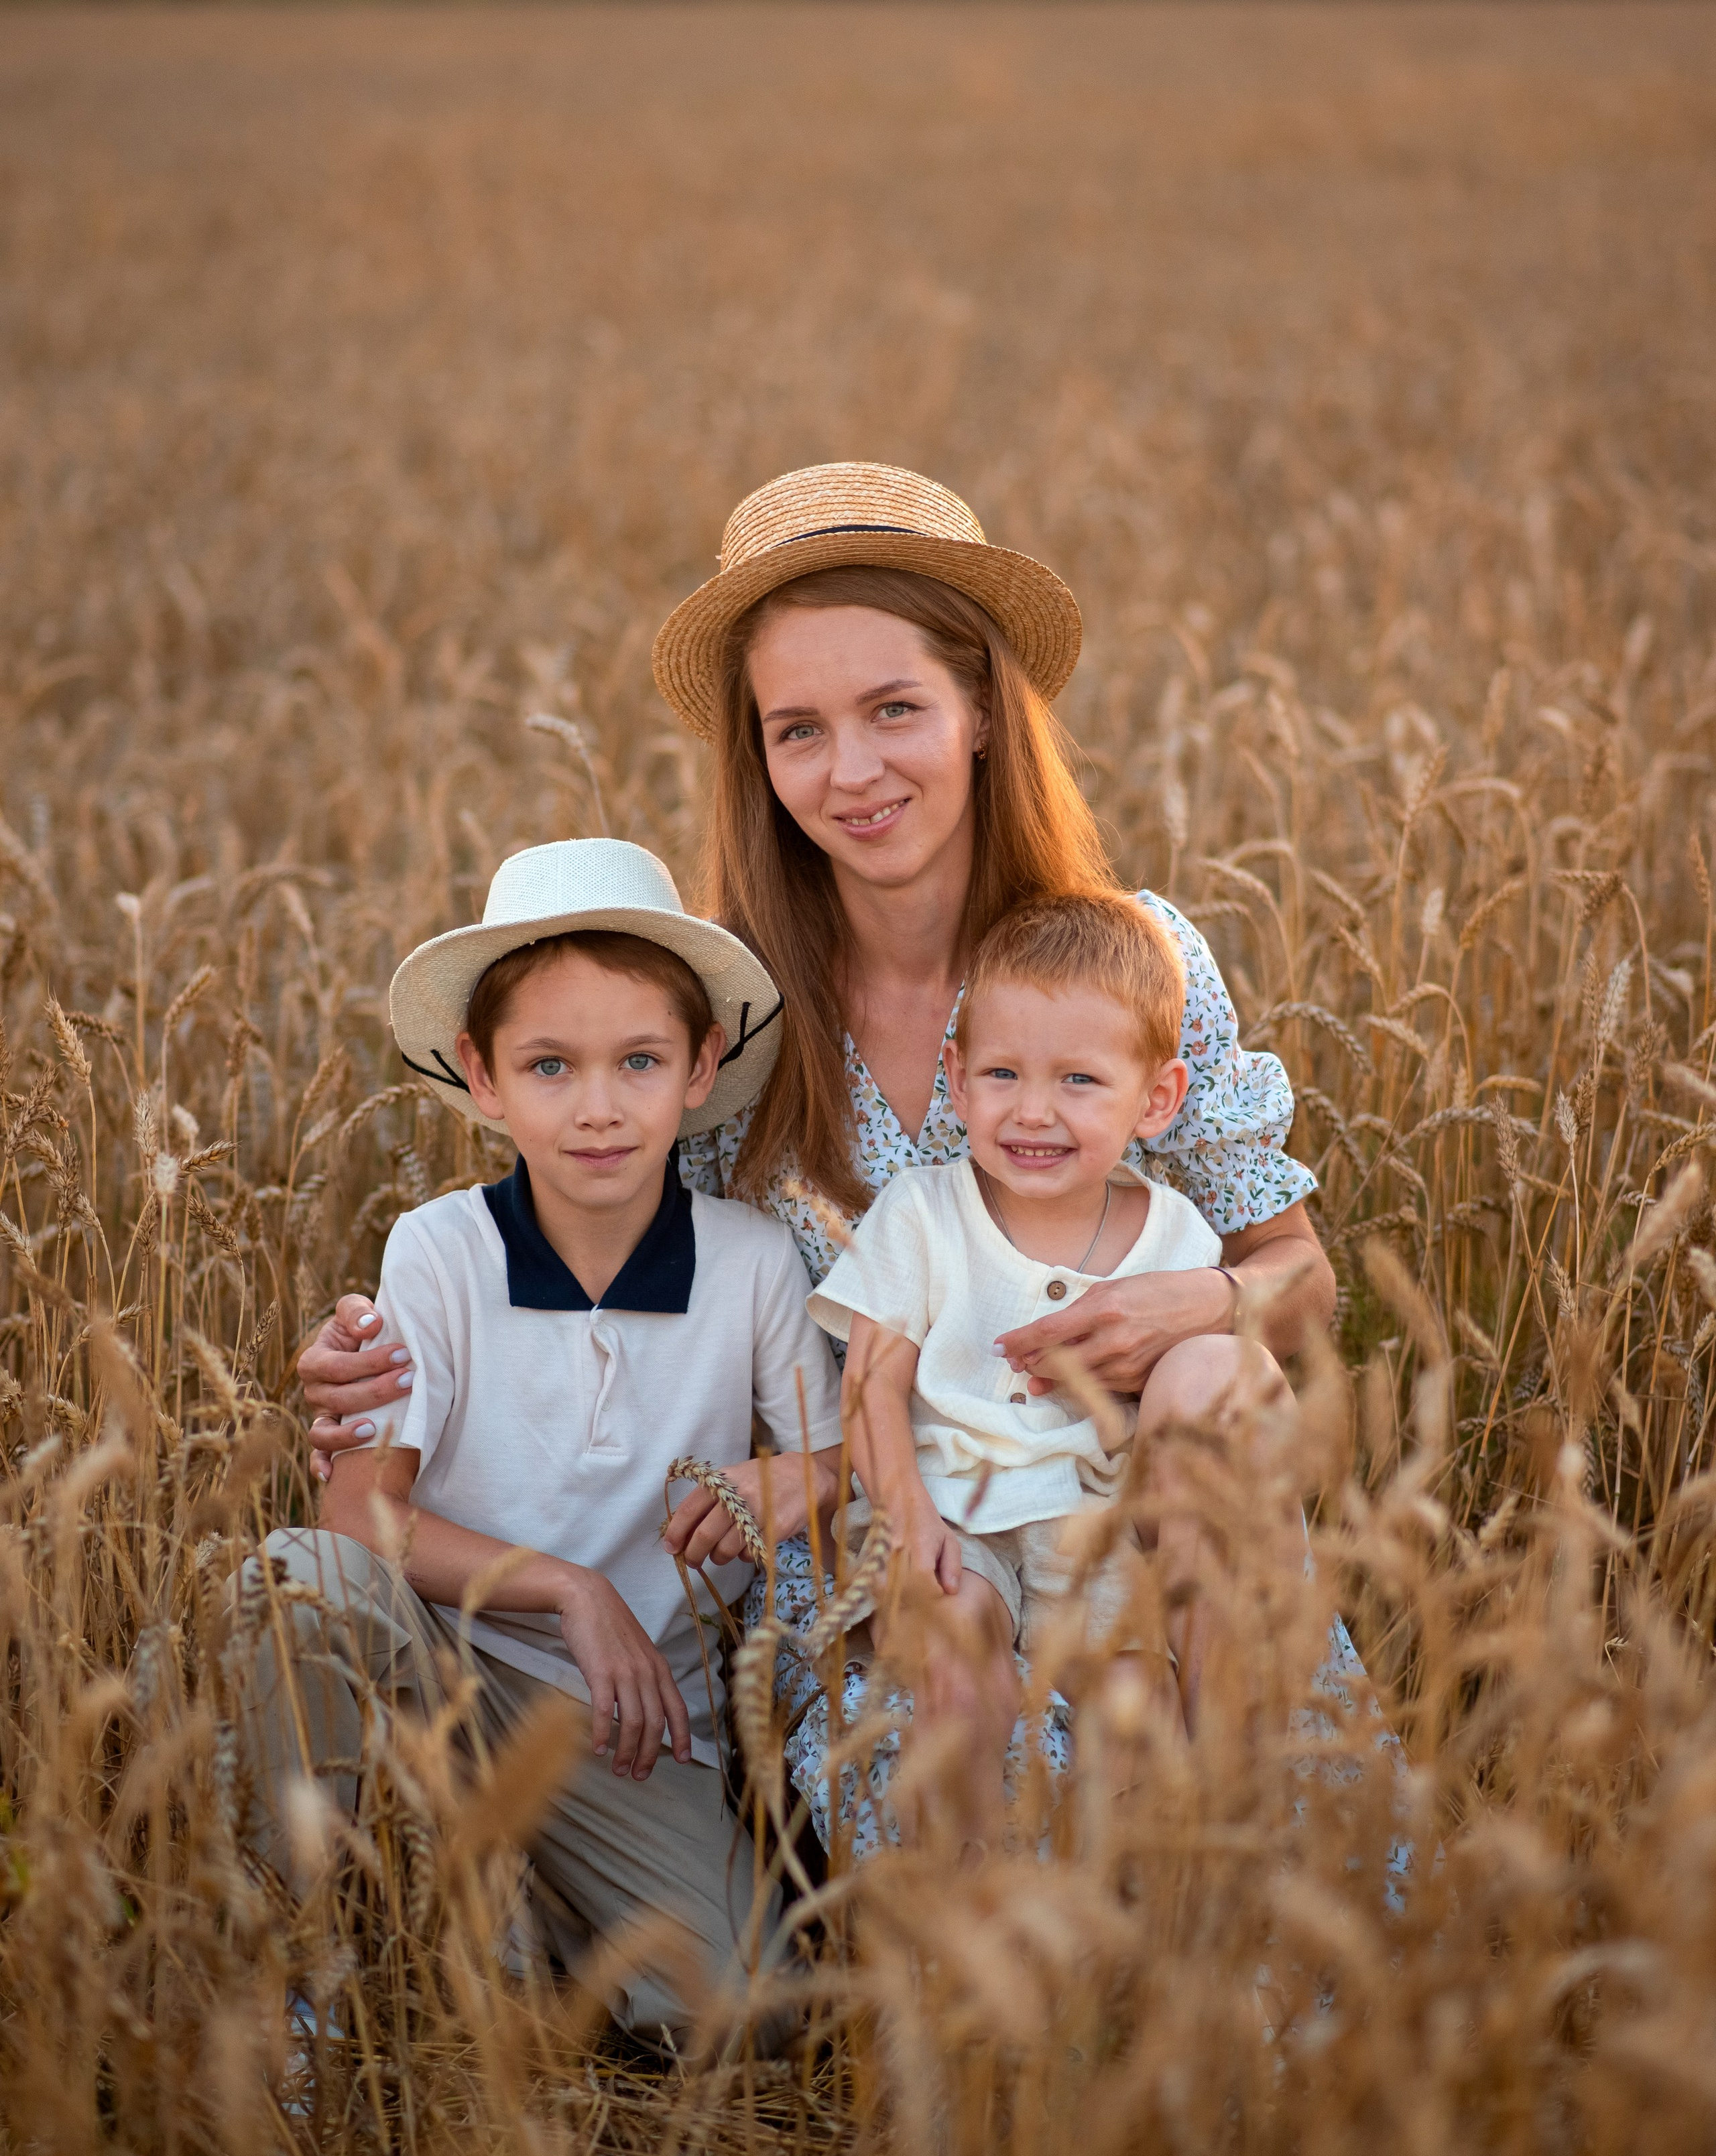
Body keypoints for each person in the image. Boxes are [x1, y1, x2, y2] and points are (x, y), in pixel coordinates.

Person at [299, 462, 1363, 1857]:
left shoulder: (1126, 961)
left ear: (981, 709)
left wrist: (1205, 1302)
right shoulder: (737, 1025)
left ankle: (1242, 1870)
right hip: (899, 1561)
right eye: (798, 729)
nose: (850, 771)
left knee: (1216, 1387)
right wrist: (387, 1374)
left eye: (894, 710)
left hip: (1136, 1515)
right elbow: (637, 1304)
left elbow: (1295, 1272)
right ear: (758, 757)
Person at [239, 836, 843, 2039]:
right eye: (550, 1066)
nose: (599, 1108)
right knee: (301, 1583)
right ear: (483, 1076)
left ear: (701, 1065)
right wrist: (568, 1587)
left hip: (626, 1730)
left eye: (639, 1062)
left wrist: (790, 1473)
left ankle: (512, 1916)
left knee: (748, 2015)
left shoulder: (754, 1264)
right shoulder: (442, 1249)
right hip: (442, 1666)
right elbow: (357, 1518)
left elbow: (836, 1466)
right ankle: (305, 1969)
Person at [812, 892, 1290, 1812]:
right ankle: (975, 1921)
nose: (1034, 1113)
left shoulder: (1177, 1239)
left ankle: (1143, 1918)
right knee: (958, 1681)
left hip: (1095, 1529)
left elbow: (1167, 1411)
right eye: (1002, 1075)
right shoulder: (923, 1211)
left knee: (1134, 1722)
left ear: (1157, 1101)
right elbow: (872, 1380)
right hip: (951, 1516)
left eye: (1079, 1081)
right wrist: (905, 1518)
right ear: (956, 1079)